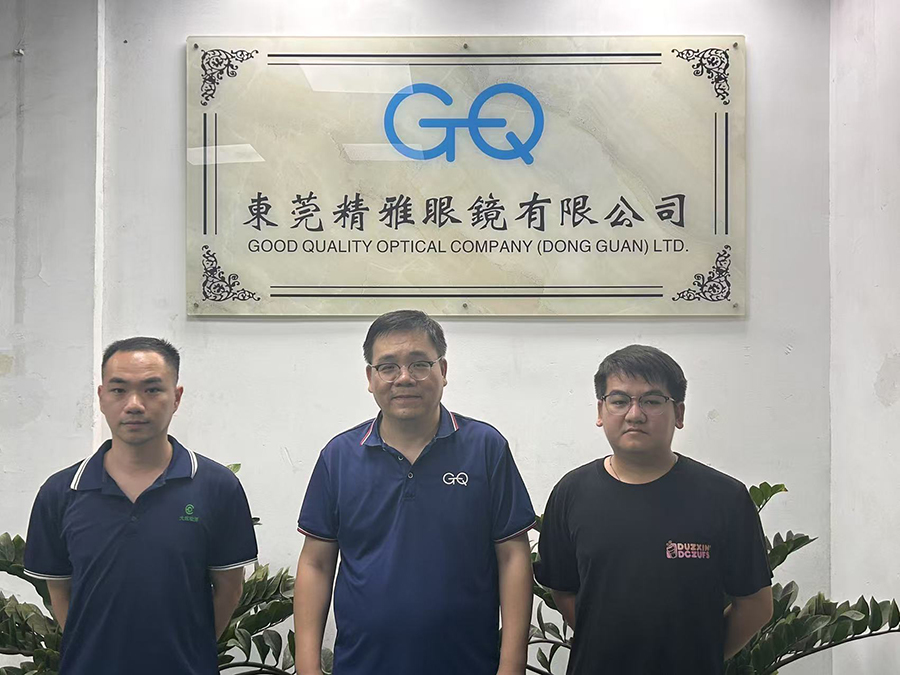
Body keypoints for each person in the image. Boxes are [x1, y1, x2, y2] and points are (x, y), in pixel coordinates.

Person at [293, 310, 535, 675]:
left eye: (420, 364)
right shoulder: (339, 456)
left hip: (468, 664)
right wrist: (307, 666)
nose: (404, 378)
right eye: (388, 367)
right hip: (363, 665)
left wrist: (512, 665)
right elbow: (316, 563)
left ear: (443, 371)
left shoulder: (485, 448)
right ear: (370, 378)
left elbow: (513, 556)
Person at [24, 337, 258, 675]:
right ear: (101, 397)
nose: (134, 404)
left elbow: (229, 588)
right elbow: (59, 591)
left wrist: (190, 651)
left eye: (152, 390)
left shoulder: (217, 487)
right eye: (119, 390)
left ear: (176, 397)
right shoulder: (61, 492)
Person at [534, 344, 772, 675]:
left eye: (652, 401)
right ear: (601, 411)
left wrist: (699, 657)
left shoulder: (725, 497)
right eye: (619, 401)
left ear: (679, 413)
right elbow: (563, 589)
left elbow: (756, 605)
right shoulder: (571, 493)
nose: (635, 414)